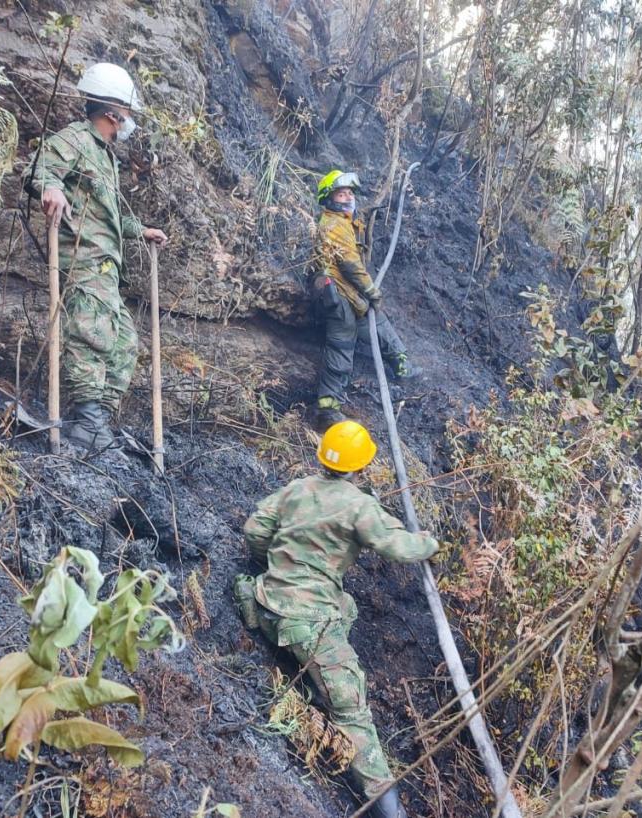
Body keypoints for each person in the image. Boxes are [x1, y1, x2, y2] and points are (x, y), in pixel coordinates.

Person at [240, 420, 438, 818]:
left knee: (345, 605)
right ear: (362, 465)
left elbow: (255, 528)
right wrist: (430, 543)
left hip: (267, 603)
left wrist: (270, 566)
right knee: (353, 712)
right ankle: (388, 807)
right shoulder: (359, 505)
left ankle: (307, 665)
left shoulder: (297, 488)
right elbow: (397, 546)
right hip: (308, 623)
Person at [27, 62, 169, 455]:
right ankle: (85, 423)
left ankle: (95, 423)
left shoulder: (105, 156)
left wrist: (139, 230)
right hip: (83, 260)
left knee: (124, 344)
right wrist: (51, 188)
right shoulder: (76, 139)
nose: (130, 122)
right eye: (128, 113)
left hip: (106, 265)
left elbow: (112, 211)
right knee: (90, 338)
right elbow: (40, 168)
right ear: (113, 113)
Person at [310, 170, 420, 431]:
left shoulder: (345, 222)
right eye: (341, 192)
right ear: (330, 198)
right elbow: (350, 264)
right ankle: (327, 410)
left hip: (351, 297)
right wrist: (372, 291)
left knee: (378, 323)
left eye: (349, 192)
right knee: (341, 346)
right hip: (339, 298)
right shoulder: (334, 225)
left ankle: (402, 366)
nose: (347, 196)